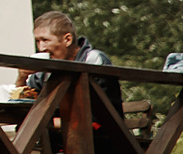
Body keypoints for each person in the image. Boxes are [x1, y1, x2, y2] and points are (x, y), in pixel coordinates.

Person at [21, 12, 120, 146]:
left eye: (45, 40)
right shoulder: (46, 70)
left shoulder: (93, 60)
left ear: (67, 39)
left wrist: (51, 122)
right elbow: (23, 103)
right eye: (38, 41)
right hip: (60, 140)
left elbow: (100, 116)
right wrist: (22, 76)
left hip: (100, 140)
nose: (41, 48)